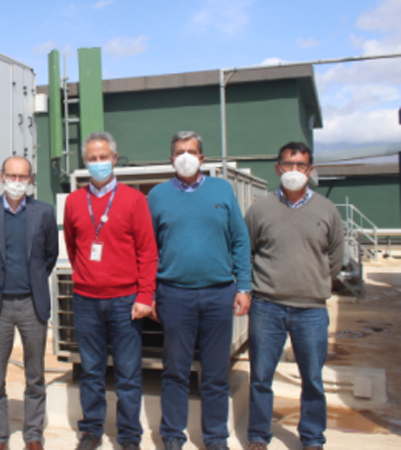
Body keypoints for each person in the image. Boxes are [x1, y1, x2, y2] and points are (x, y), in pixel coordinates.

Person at [147, 131, 252, 450]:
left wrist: (244, 286)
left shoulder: (223, 190)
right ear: (170, 158)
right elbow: (148, 249)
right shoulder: (157, 196)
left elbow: (240, 240)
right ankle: (173, 436)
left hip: (220, 293)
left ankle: (216, 436)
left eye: (191, 151)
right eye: (179, 151)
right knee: (175, 370)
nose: (185, 156)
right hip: (174, 295)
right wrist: (149, 293)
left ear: (202, 158)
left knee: (216, 373)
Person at [63, 131, 158, 450]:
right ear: (85, 161)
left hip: (125, 301)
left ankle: (129, 435)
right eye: (92, 158)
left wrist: (145, 295)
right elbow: (73, 246)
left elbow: (147, 251)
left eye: (104, 157)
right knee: (90, 370)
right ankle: (91, 430)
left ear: (115, 159)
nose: (98, 163)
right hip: (87, 300)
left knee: (129, 373)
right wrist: (87, 277)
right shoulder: (75, 201)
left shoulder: (134, 200)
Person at [245, 142, 344, 450]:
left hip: (311, 310)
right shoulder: (260, 209)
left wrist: (312, 282)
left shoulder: (327, 211)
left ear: (309, 170)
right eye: (288, 164)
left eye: (301, 165)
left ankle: (313, 438)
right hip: (266, 307)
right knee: (261, 376)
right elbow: (246, 253)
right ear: (278, 168)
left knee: (312, 380)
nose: (294, 171)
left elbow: (336, 258)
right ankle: (259, 436)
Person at [0, 156, 59, 450]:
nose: (17, 182)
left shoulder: (44, 213)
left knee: (35, 375)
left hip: (33, 305)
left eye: (23, 177)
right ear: (1, 177)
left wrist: (31, 281)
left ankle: (33, 435)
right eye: (12, 176)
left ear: (31, 180)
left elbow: (49, 256)